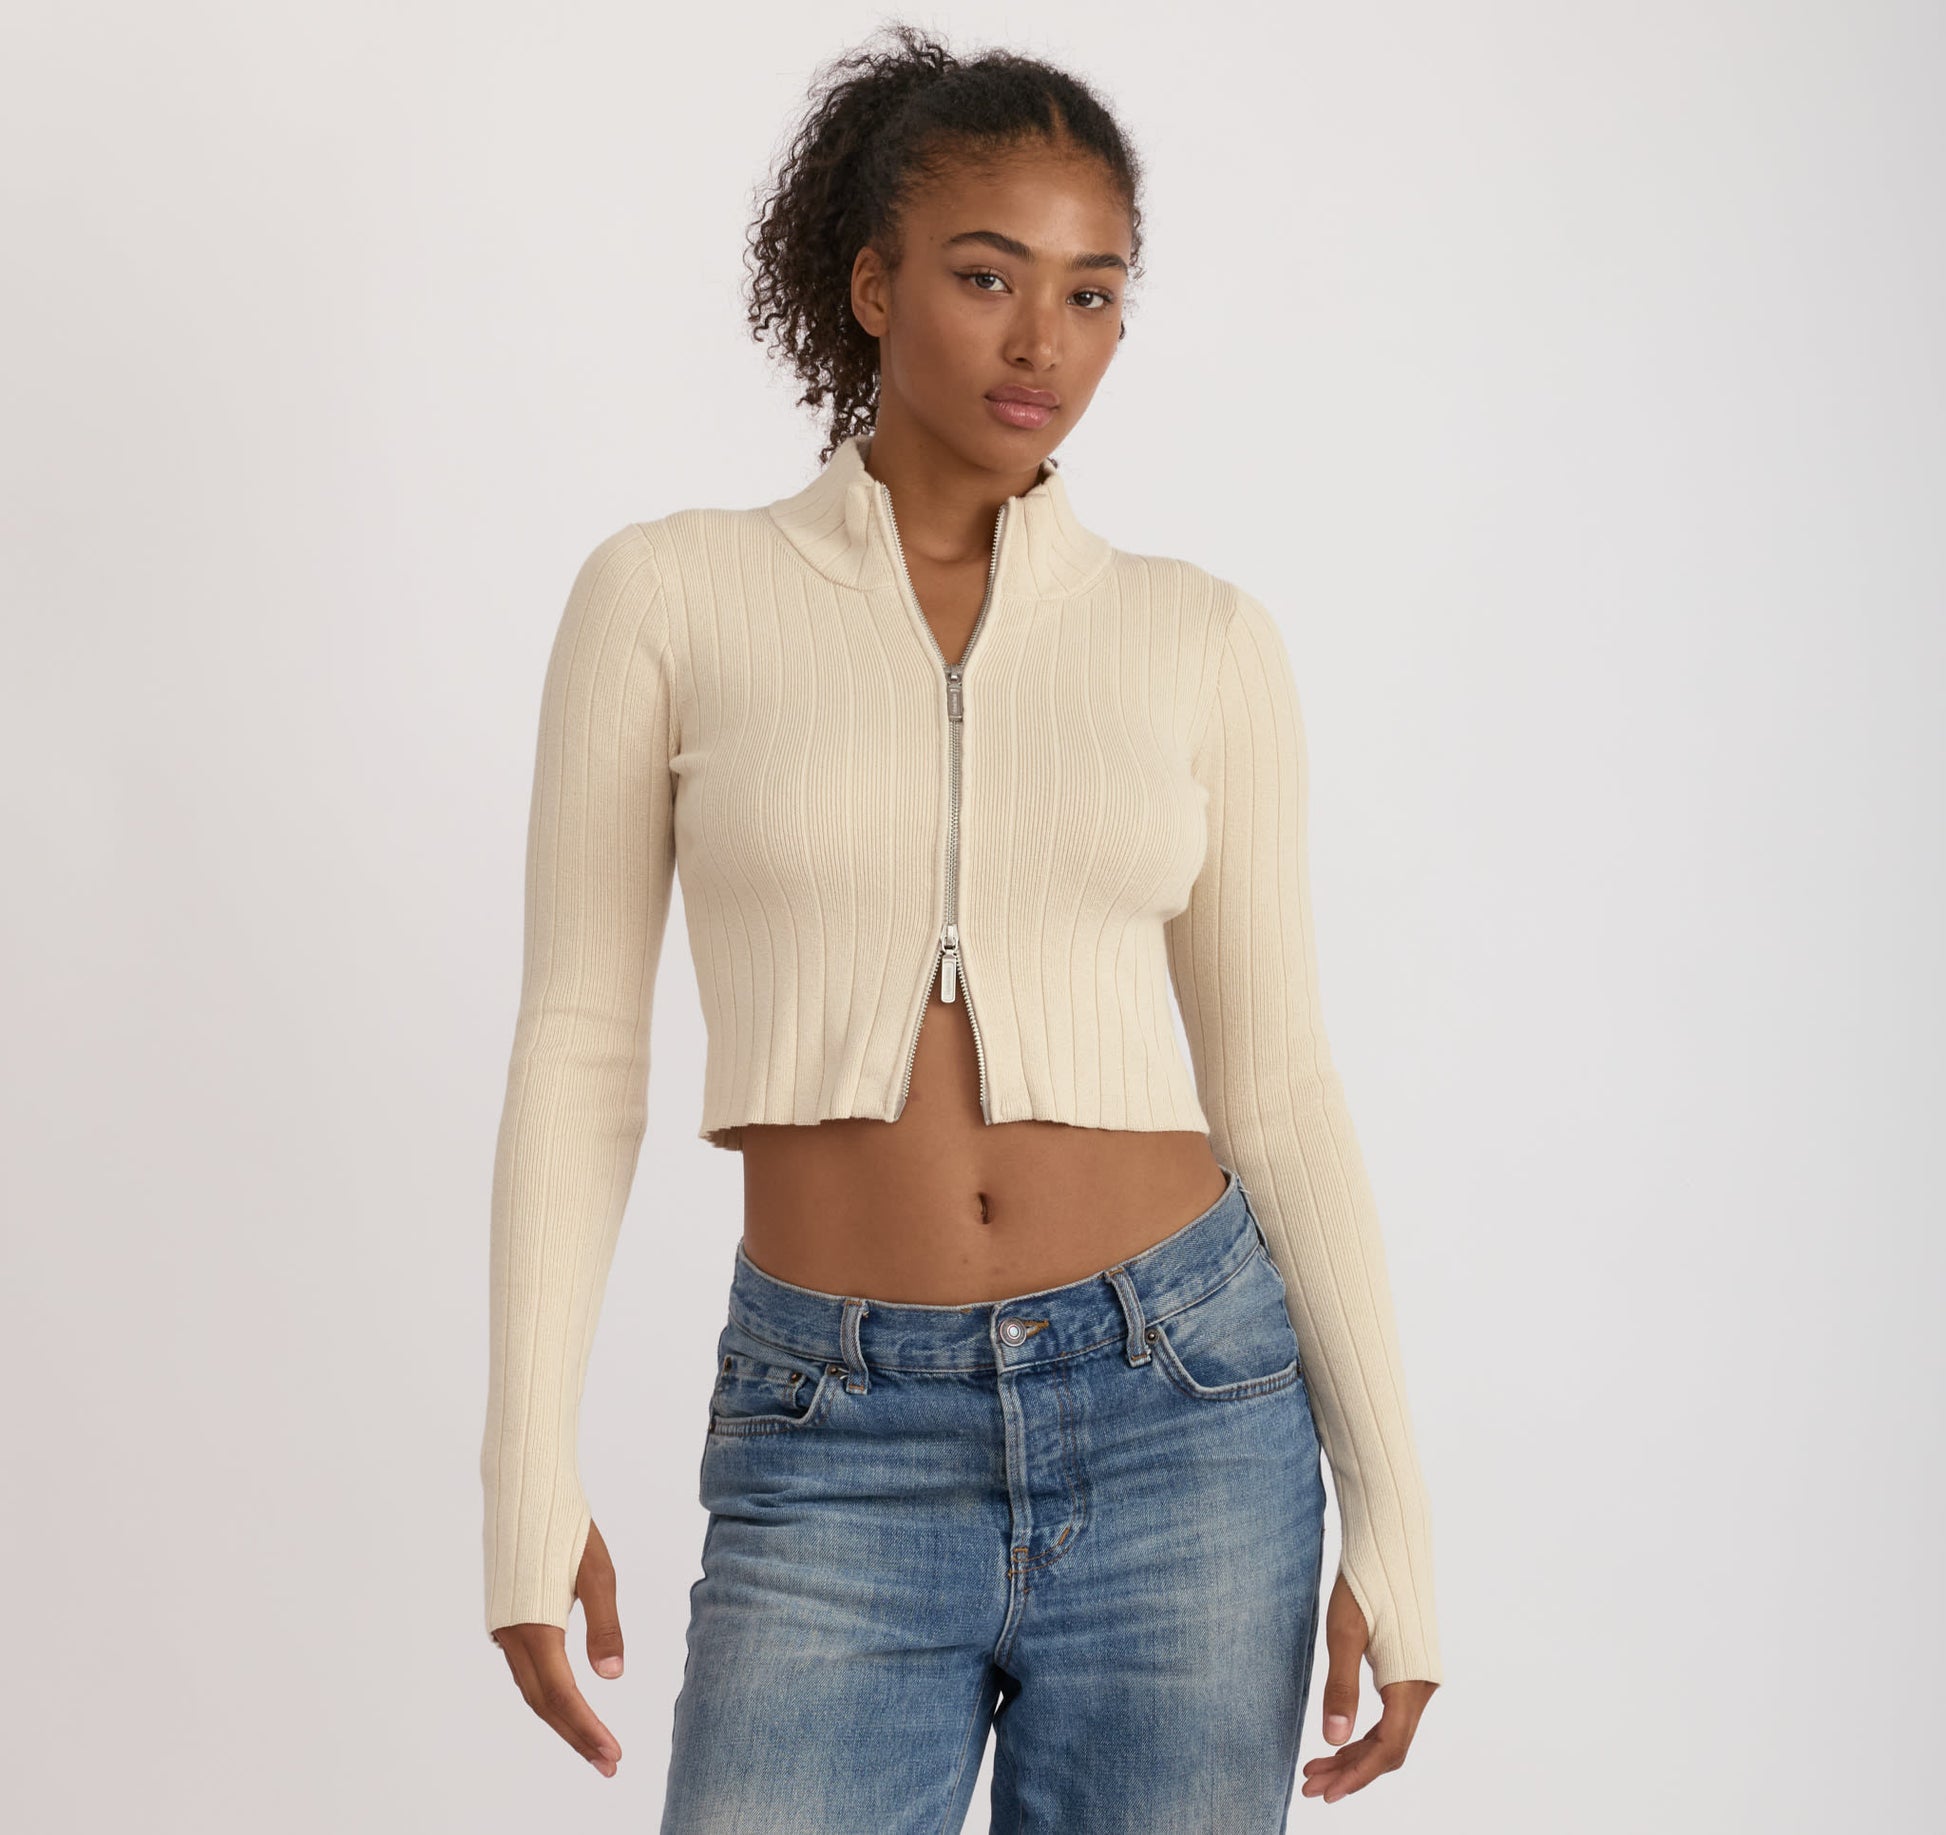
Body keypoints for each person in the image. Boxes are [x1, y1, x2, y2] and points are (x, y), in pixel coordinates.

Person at [481, 23, 1442, 1828]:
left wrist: (1396, 1518)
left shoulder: (1200, 639)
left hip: (1187, 1410)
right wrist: (524, 1474)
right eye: (988, 277)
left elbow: (1280, 1086)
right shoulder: (667, 597)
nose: (1041, 343)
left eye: (1093, 294)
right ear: (873, 285)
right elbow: (580, 1047)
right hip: (832, 1433)